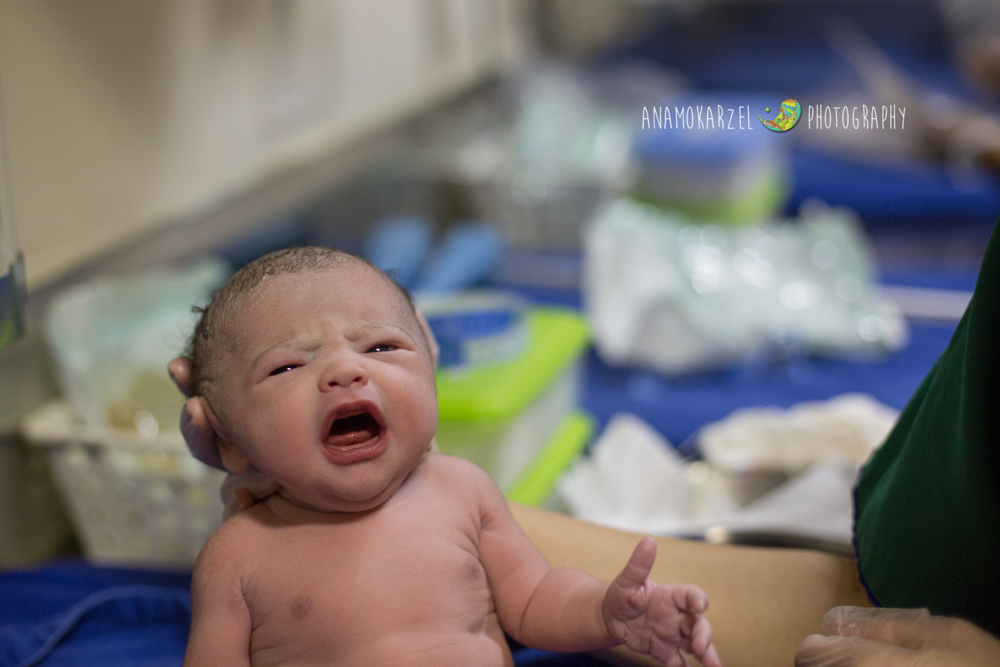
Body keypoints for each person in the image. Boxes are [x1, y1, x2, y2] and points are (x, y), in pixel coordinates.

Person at [178, 247, 721, 667]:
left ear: (431, 363)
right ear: (226, 439)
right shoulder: (240, 555)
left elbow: (533, 598)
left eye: (381, 347)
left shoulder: (461, 490)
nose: (345, 370)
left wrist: (607, 611)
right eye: (287, 367)